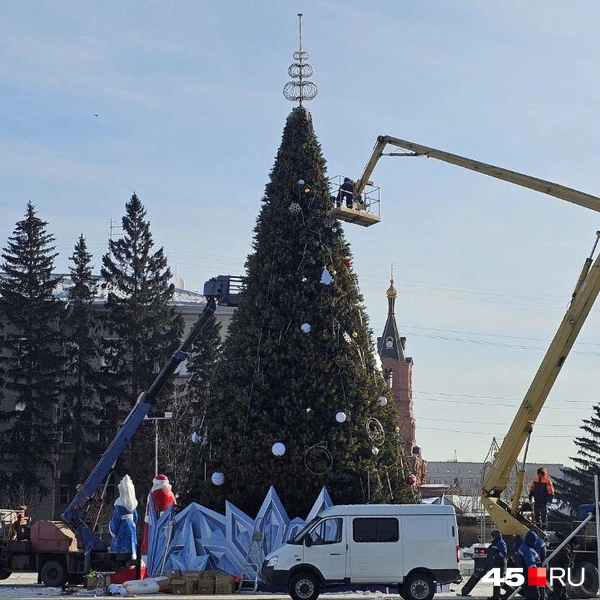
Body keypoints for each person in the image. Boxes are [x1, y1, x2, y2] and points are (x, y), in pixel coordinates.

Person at [140, 474, 177, 564]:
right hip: (169, 527)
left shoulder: (155, 493)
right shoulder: (170, 493)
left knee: (152, 548)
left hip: (155, 526)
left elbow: (152, 512)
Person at [109, 475, 138, 558]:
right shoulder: (133, 504)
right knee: (131, 542)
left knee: (121, 545)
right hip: (131, 526)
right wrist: (133, 524)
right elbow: (136, 517)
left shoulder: (120, 504)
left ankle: (121, 558)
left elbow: (116, 519)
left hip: (122, 527)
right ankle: (132, 555)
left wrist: (113, 529)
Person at [519, 530, 542, 600]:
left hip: (526, 576)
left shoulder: (523, 546)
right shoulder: (528, 550)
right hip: (531, 576)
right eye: (534, 541)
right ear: (531, 540)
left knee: (531, 595)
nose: (535, 543)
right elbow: (532, 566)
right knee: (534, 596)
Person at [487, 529, 508, 600]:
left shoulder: (501, 543)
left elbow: (503, 553)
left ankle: (497, 596)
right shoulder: (495, 543)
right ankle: (495, 595)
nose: (492, 538)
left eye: (493, 536)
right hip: (495, 565)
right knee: (496, 581)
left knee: (498, 581)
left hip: (500, 565)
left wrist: (495, 556)